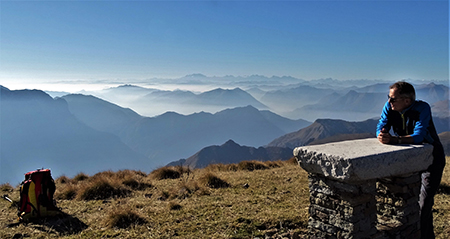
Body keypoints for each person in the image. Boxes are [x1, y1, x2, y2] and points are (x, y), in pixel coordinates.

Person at [376, 81, 445, 239]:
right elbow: (381, 124)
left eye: (393, 99)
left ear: (407, 101)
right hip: (407, 160)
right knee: (407, 207)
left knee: (423, 206)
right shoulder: (389, 107)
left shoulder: (422, 108)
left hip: (432, 159)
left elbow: (419, 136)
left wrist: (395, 140)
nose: (389, 101)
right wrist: (382, 134)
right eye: (388, 97)